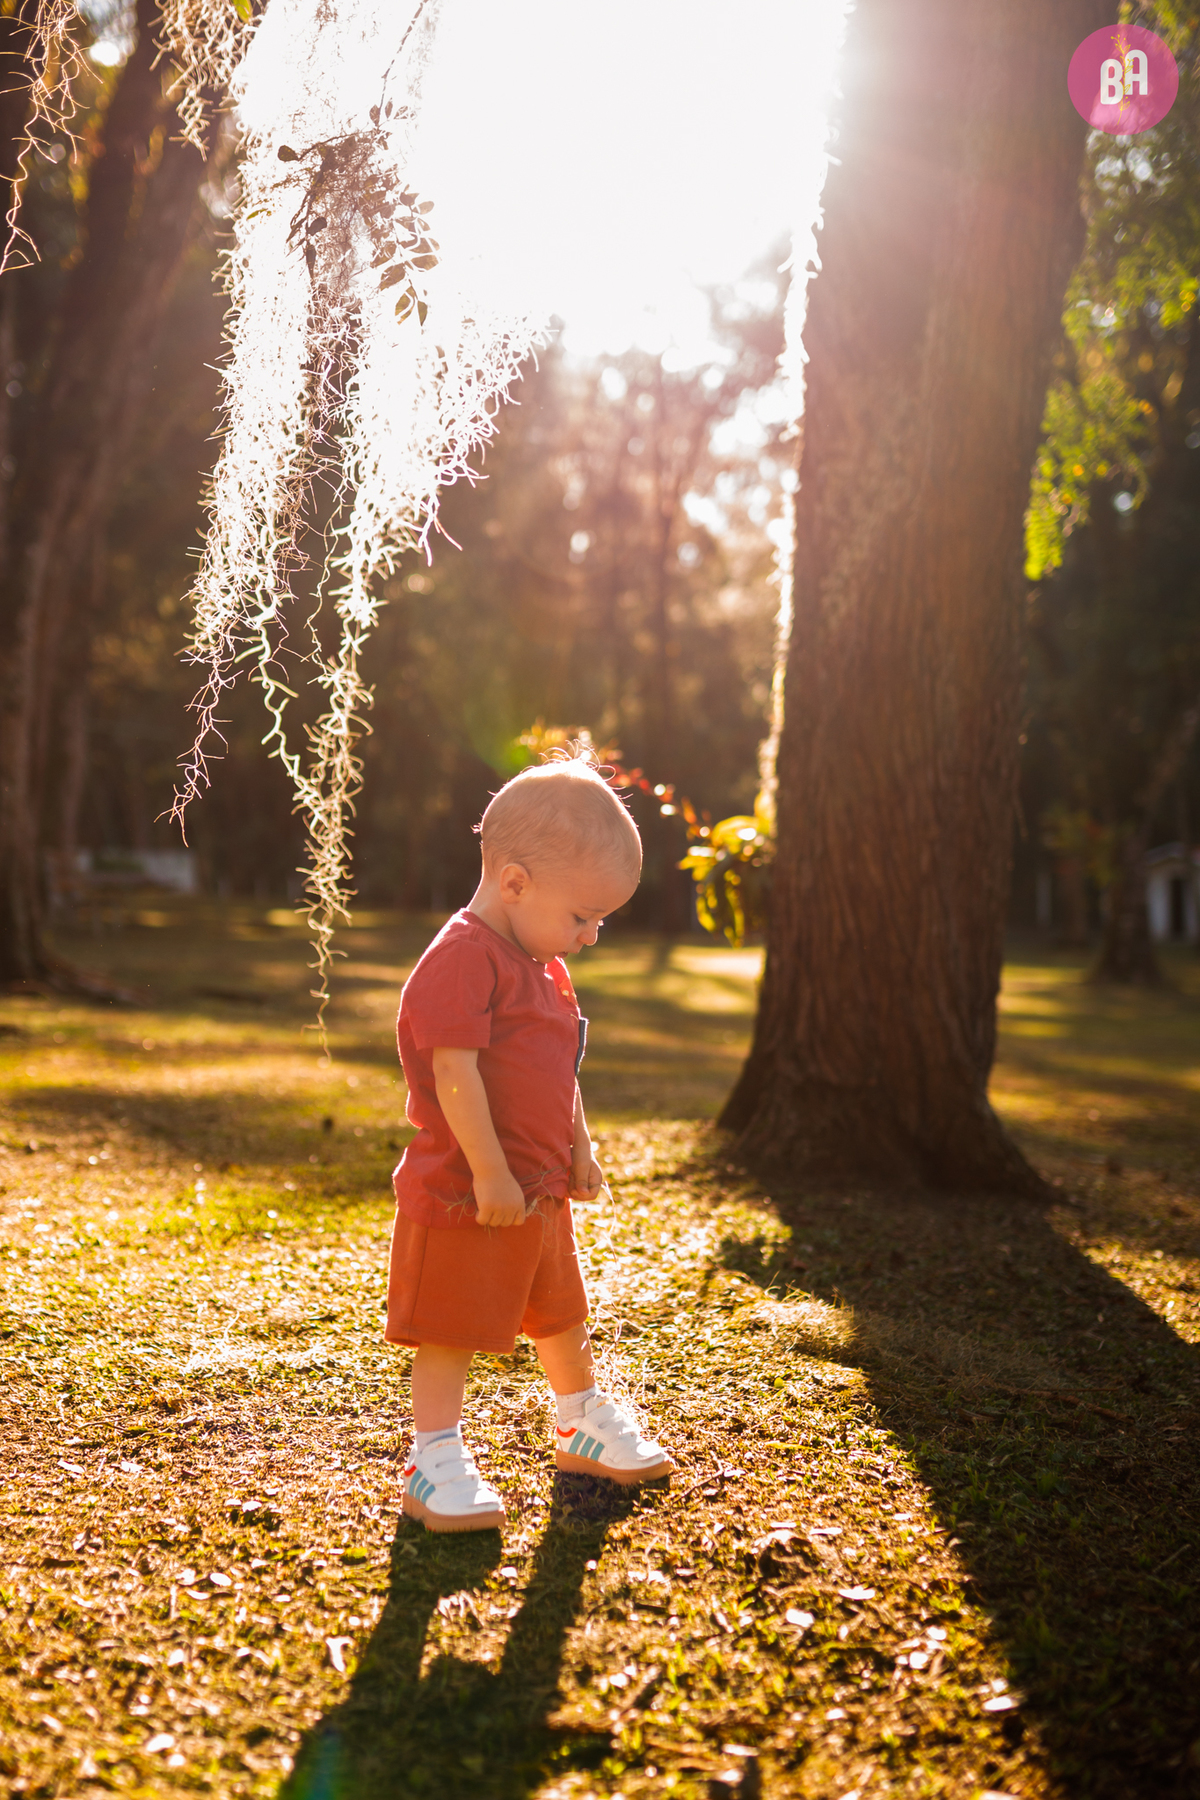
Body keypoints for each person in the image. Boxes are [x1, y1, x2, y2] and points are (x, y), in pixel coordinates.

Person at [386, 746, 673, 1531]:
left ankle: (580, 1417)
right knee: (450, 1325)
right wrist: (488, 1174)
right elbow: (455, 1075)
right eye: (581, 917)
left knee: (559, 1310)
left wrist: (578, 1144)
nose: (589, 936)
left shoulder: (545, 967)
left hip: (538, 1188)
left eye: (599, 922)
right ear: (515, 883)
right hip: (465, 1192)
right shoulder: (462, 959)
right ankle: (433, 1458)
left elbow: (558, 1065)